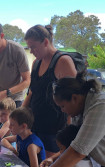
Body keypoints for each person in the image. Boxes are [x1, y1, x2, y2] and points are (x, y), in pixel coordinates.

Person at [23, 72, 105, 167]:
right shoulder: (81, 107)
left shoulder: (99, 107)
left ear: (74, 98)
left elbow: (78, 150)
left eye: (62, 106)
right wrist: (52, 159)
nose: (64, 112)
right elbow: (72, 146)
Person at [22, 24, 77, 157]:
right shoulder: (36, 63)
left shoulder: (63, 61)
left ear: (46, 42)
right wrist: (20, 115)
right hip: (35, 125)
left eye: (33, 47)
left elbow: (74, 99)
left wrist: (70, 132)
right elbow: (31, 92)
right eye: (29, 48)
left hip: (54, 129)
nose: (31, 51)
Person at [0, 21, 30, 130]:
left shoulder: (17, 50)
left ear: (2, 36)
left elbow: (27, 81)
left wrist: (6, 93)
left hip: (14, 99)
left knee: (13, 132)